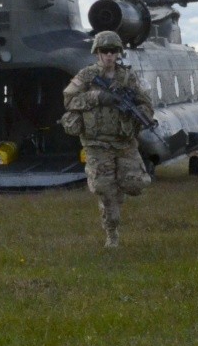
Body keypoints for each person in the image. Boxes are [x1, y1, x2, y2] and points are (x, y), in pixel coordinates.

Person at [61, 30, 155, 249]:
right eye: (105, 51)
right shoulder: (86, 76)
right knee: (104, 189)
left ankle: (119, 190)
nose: (109, 56)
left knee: (135, 184)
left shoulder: (128, 77)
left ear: (119, 53)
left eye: (113, 51)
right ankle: (112, 234)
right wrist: (97, 97)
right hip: (96, 144)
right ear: (97, 53)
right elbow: (69, 100)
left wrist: (141, 115)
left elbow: (145, 103)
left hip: (124, 143)